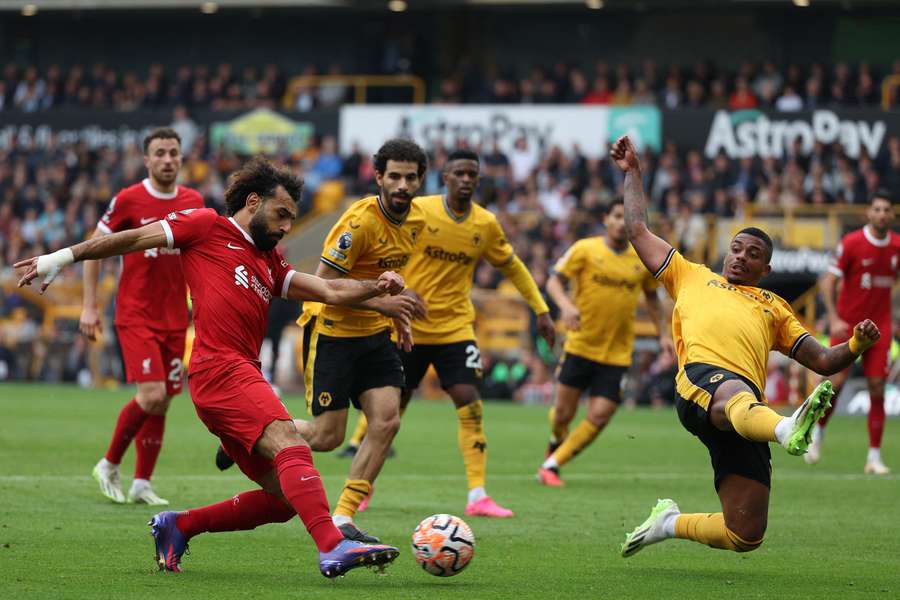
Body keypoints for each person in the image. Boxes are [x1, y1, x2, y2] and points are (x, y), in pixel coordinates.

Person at [16, 157, 402, 578]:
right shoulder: (206, 226)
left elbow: (328, 287)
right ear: (253, 202)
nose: (287, 226)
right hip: (220, 369)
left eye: (292, 217)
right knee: (289, 438)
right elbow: (133, 239)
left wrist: (375, 286)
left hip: (232, 378)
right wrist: (62, 256)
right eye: (282, 214)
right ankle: (332, 545)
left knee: (282, 500)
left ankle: (179, 525)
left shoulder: (269, 262)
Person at [607, 136, 881, 557]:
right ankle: (787, 428)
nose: (740, 257)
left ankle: (669, 523)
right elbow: (637, 229)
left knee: (745, 533)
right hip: (702, 385)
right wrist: (634, 174)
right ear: (726, 252)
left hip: (745, 410)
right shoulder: (690, 274)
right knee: (735, 392)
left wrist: (858, 343)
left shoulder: (775, 307)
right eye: (736, 248)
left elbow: (825, 361)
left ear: (766, 268)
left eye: (752, 254)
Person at [338, 149, 557, 517]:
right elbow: (386, 253)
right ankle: (363, 489)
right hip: (408, 326)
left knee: (469, 400)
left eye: (473, 173)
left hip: (456, 327)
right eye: (459, 173)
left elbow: (514, 266)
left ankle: (478, 495)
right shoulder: (419, 211)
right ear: (445, 177)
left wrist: (542, 309)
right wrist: (397, 291)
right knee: (392, 412)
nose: (467, 179)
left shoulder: (485, 224)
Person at [291, 139, 428, 542]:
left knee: (387, 420)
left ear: (420, 180)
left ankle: (344, 517)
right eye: (395, 176)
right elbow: (323, 283)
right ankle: (255, 433)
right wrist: (384, 304)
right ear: (379, 177)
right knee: (327, 437)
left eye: (411, 177)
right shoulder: (360, 222)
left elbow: (389, 281)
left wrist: (397, 315)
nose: (403, 184)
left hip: (374, 338)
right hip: (332, 333)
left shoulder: (416, 223)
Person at [82, 128, 204, 506]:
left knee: (164, 399)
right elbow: (93, 248)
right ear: (147, 160)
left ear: (181, 158)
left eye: (173, 153)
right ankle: (109, 462)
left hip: (174, 318)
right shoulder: (129, 200)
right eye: (160, 153)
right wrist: (89, 305)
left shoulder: (194, 200)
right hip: (136, 314)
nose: (168, 159)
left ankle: (142, 482)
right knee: (151, 394)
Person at [537, 198, 674, 487]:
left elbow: (651, 297)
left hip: (617, 353)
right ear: (605, 218)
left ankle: (552, 464)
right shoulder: (585, 249)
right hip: (580, 346)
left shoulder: (640, 260)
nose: (620, 223)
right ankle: (555, 442)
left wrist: (663, 334)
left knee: (599, 416)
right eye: (616, 216)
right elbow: (553, 281)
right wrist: (565, 306)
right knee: (562, 415)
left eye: (627, 218)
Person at [810, 191, 898, 474]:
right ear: (868, 213)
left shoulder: (897, 246)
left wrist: (892, 316)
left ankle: (873, 457)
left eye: (887, 209)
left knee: (877, 388)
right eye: (877, 209)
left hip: (880, 328)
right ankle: (819, 433)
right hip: (848, 326)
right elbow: (828, 281)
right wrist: (834, 318)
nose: (882, 214)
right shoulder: (852, 243)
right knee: (835, 384)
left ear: (892, 215)